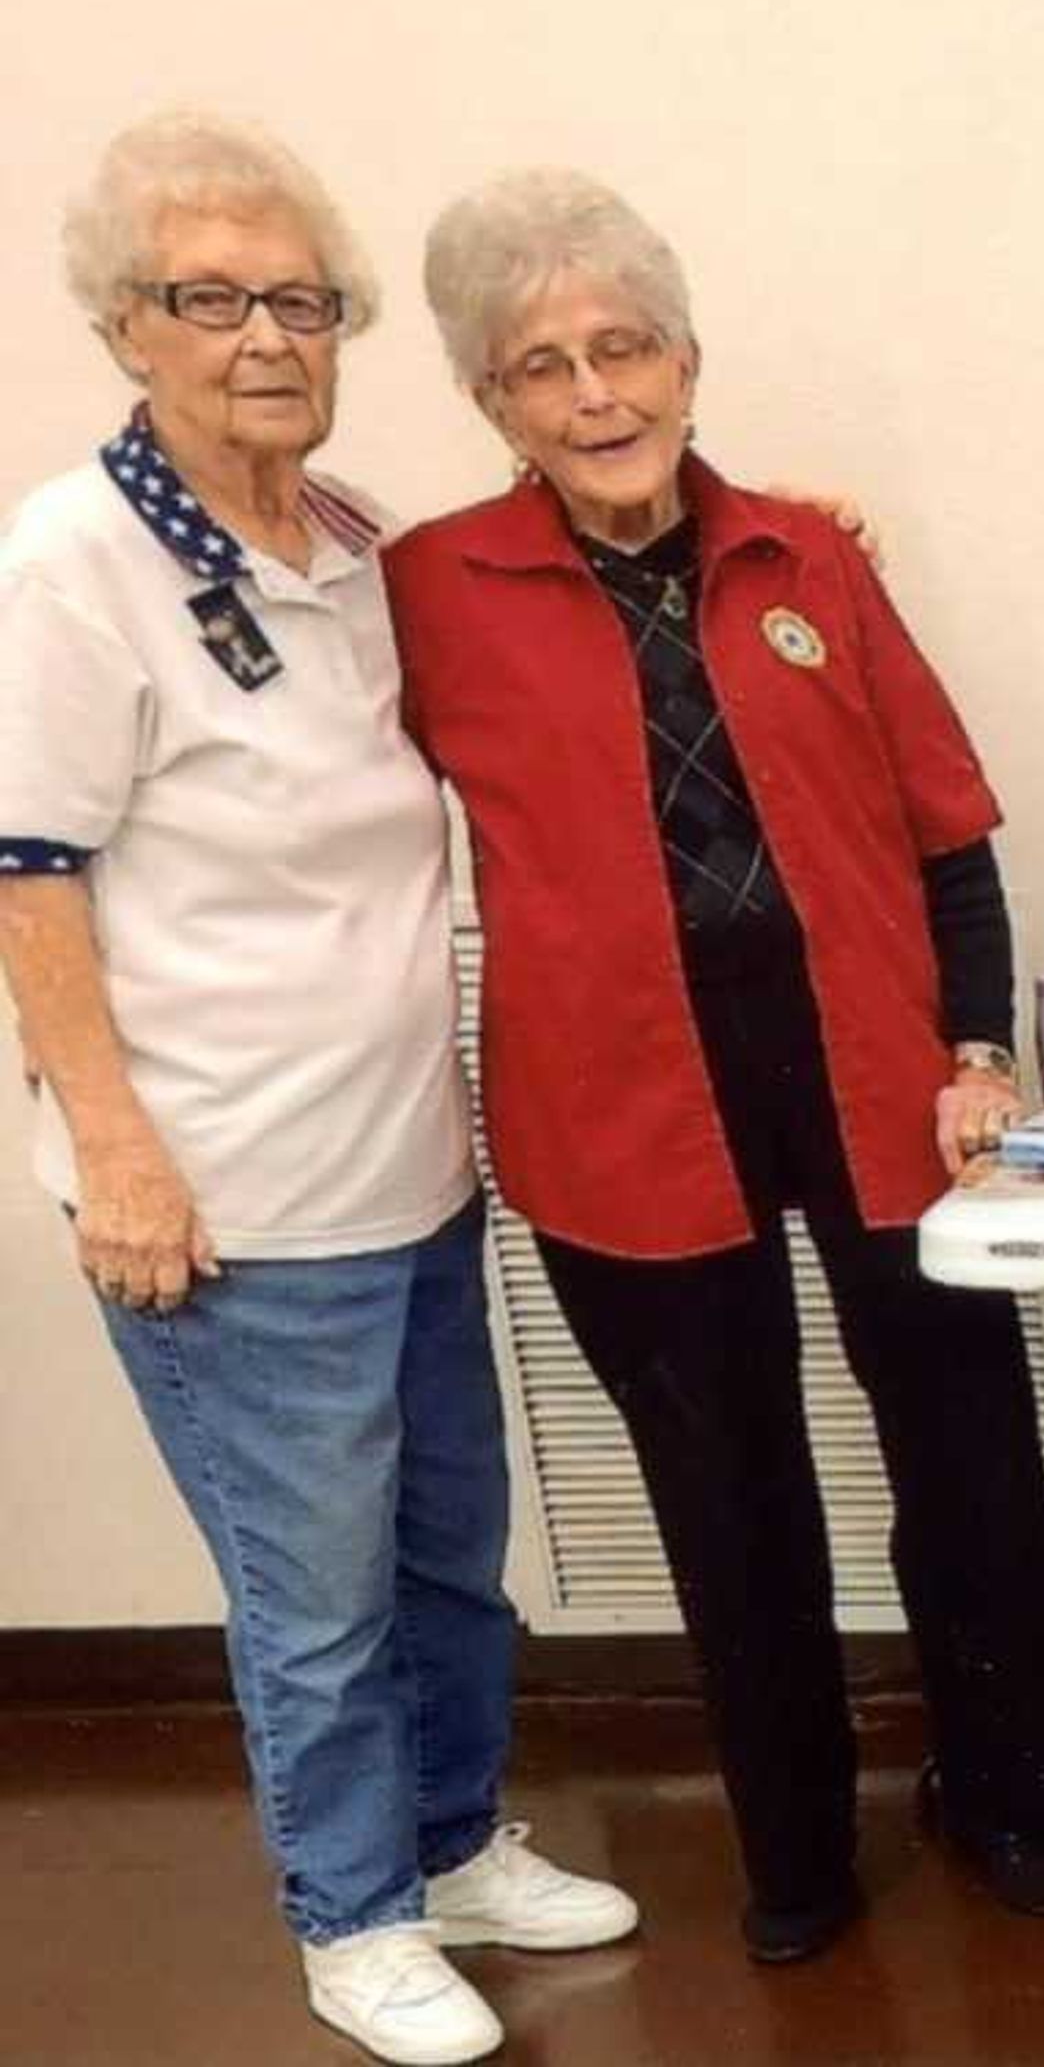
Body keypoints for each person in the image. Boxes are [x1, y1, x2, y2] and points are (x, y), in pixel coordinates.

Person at [381, 168, 1044, 1964]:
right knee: (727, 1497)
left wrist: (974, 1042)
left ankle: (1021, 1785)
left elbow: (947, 830)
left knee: (964, 1448)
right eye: (542, 366)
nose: (595, 395)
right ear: (494, 406)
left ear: (689, 360)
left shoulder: (811, 558)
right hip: (618, 1109)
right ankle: (798, 1851)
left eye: (623, 347)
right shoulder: (428, 591)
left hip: (880, 1075)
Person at [0, 114, 633, 2067]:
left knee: (451, 1545)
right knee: (317, 1593)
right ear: (128, 324)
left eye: (303, 300)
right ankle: (348, 1917)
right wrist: (115, 1150)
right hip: (226, 1201)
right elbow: (27, 871)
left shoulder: (348, 541)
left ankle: (445, 1848)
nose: (267, 335)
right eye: (214, 298)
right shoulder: (70, 564)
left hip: (411, 1171)